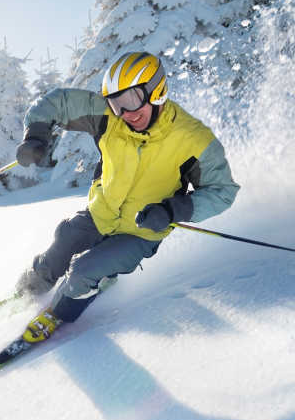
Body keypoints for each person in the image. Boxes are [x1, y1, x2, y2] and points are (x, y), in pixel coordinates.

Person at [14, 51, 239, 342]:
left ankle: (58, 316)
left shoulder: (194, 139)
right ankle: (33, 287)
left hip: (140, 231)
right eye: (117, 103)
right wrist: (37, 134)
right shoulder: (110, 117)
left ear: (156, 89)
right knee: (64, 240)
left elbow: (223, 192)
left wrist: (173, 210)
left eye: (132, 99)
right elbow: (58, 101)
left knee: (83, 271)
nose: (127, 112)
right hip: (99, 215)